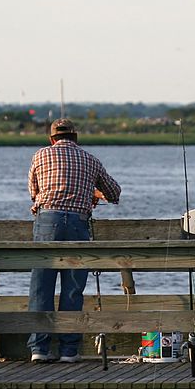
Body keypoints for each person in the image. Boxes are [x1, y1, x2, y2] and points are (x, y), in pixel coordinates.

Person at [26, 118, 121, 363]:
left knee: (41, 286)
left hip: (47, 220)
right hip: (78, 223)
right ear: (75, 138)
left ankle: (39, 349)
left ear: (52, 139)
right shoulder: (90, 159)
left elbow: (34, 192)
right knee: (72, 288)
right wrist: (92, 192)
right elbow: (114, 193)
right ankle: (69, 351)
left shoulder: (40, 155)